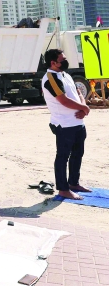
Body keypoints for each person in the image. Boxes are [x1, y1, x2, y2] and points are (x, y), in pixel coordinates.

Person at [41, 49, 91, 200]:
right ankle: (63, 189)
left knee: (78, 154)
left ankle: (73, 183)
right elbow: (63, 100)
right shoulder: (50, 78)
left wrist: (83, 108)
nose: (65, 61)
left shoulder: (65, 75)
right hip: (63, 124)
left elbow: (79, 93)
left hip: (77, 122)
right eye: (62, 59)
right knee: (63, 157)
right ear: (53, 63)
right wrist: (83, 108)